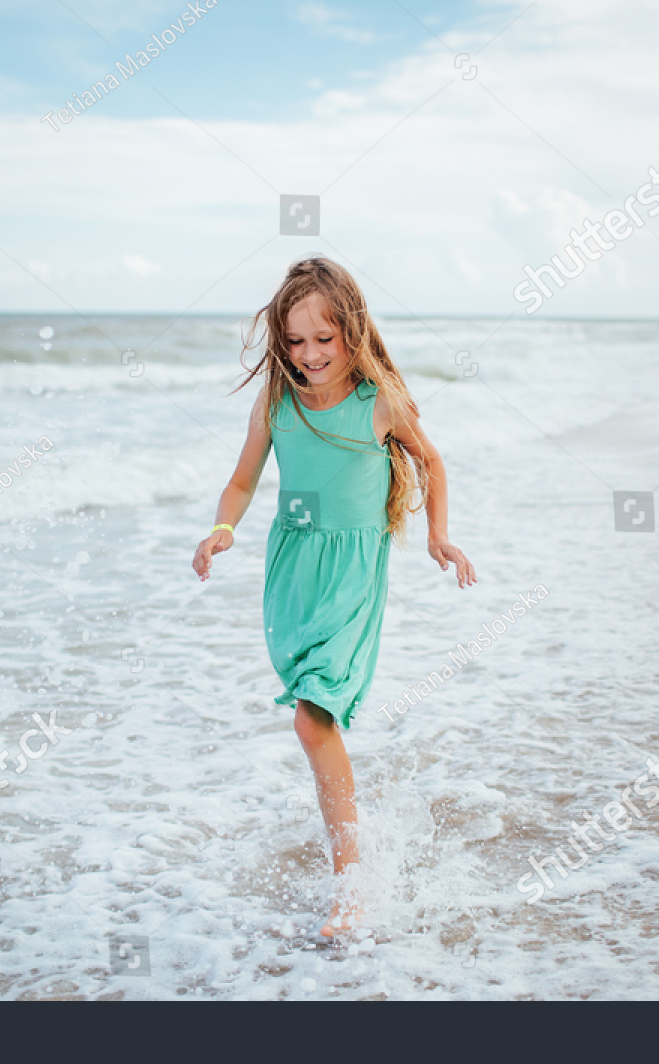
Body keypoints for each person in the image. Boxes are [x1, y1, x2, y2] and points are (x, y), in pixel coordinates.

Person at [191, 256, 477, 939]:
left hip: (352, 570)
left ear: (352, 331)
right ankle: (354, 847)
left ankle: (351, 882)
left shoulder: (378, 400)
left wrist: (439, 536)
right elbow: (241, 480)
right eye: (295, 341)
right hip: (291, 567)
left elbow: (431, 459)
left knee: (313, 714)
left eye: (325, 338)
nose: (310, 354)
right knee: (311, 708)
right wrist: (221, 529)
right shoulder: (277, 404)